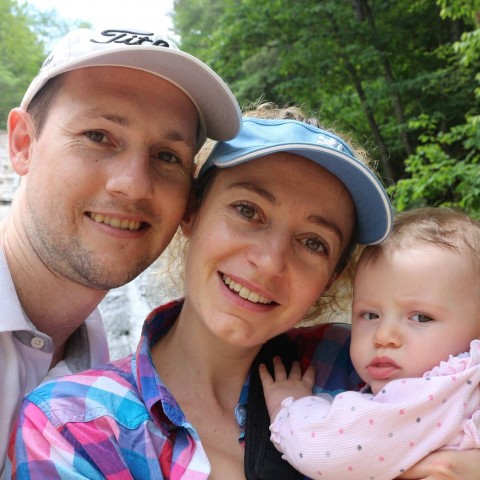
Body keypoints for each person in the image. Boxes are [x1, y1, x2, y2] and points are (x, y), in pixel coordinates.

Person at [9, 105, 392, 478]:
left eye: (313, 243)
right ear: (190, 211)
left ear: (330, 278)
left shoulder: (359, 365)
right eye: (247, 211)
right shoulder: (76, 426)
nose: (271, 262)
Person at [0, 25, 241, 474]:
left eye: (167, 156)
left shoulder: (90, 351)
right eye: (98, 136)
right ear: (23, 144)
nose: (134, 185)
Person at [260, 207, 480, 480]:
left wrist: (289, 407)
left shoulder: (435, 390)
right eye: (370, 315)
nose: (383, 336)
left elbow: (323, 450)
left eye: (421, 317)